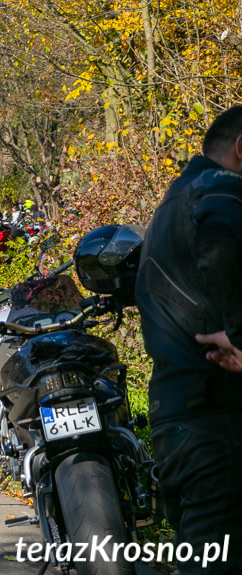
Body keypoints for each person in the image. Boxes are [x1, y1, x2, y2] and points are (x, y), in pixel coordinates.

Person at [135, 106, 242, 574]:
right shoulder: (220, 189)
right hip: (219, 424)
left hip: (178, 426)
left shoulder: (170, 207)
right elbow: (222, 245)